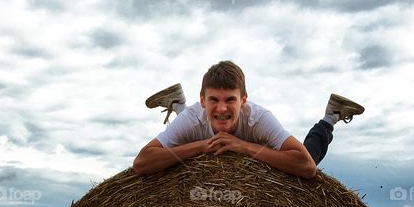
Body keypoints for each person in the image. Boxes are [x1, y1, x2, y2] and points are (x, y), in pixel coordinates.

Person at [132, 61, 363, 179]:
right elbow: (142, 163)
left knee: (305, 160)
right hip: (196, 122)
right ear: (201, 100)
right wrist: (202, 146)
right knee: (190, 133)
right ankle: (178, 105)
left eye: (230, 100)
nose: (222, 107)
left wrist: (243, 146)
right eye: (213, 99)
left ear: (243, 100)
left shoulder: (259, 118)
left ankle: (330, 117)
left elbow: (306, 166)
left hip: (262, 146)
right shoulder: (194, 118)